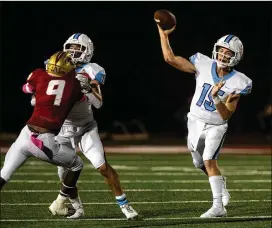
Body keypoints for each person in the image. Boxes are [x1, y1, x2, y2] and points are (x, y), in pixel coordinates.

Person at [156, 23, 252, 218]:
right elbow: (170, 58)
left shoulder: (239, 82)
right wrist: (163, 34)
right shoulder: (202, 63)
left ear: (236, 57)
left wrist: (216, 97)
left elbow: (226, 115)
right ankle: (220, 183)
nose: (224, 56)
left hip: (216, 125)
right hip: (195, 121)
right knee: (198, 162)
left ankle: (218, 207)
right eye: (221, 51)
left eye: (229, 53)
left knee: (209, 160)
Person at [40, 33, 138, 220]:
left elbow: (99, 103)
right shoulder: (53, 65)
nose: (74, 51)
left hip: (85, 127)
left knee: (102, 167)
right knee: (64, 171)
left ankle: (125, 206)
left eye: (79, 48)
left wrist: (86, 88)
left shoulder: (92, 69)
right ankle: (78, 208)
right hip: (61, 128)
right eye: (71, 47)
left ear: (88, 51)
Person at [0, 51, 85, 218]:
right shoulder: (73, 85)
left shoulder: (38, 74)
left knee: (4, 174)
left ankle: (68, 205)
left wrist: (38, 91)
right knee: (76, 165)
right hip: (44, 141)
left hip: (25, 135)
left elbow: (26, 88)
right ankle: (59, 204)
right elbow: (81, 99)